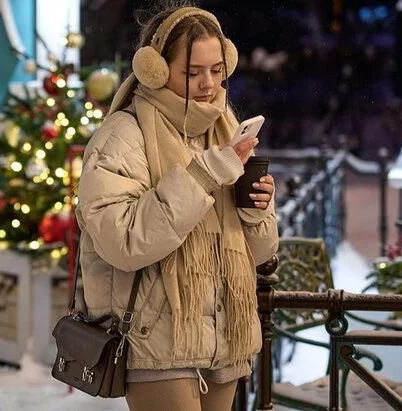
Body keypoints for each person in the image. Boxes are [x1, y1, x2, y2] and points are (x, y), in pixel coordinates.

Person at [74, 2, 279, 411]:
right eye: (192, 72)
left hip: (224, 338)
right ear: (156, 70)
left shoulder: (223, 129)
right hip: (156, 340)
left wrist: (257, 211)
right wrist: (204, 176)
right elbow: (123, 241)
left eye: (217, 70)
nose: (208, 84)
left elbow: (260, 255)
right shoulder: (123, 136)